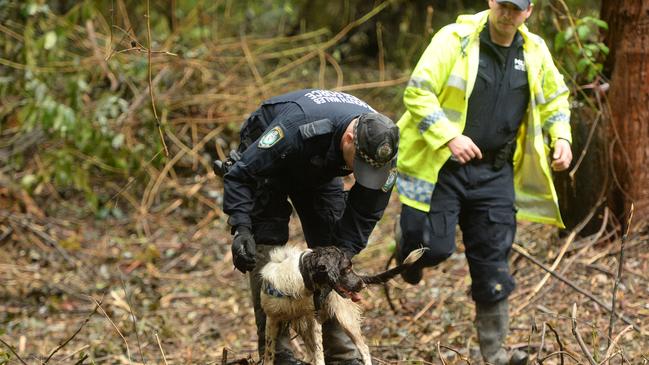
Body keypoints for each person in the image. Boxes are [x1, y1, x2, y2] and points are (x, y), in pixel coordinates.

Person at [394, 0, 572, 364]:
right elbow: (417, 91)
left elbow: (556, 99)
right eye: (503, 4)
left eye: (517, 8)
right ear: (491, 2)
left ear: (529, 11)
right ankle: (407, 244)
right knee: (436, 247)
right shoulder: (455, 39)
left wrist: (563, 138)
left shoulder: (535, 50)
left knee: (493, 264)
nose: (508, 13)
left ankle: (495, 353)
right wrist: (448, 137)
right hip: (443, 166)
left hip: (495, 172)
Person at [218, 89, 399, 365]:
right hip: (271, 163)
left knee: (331, 251)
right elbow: (241, 175)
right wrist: (242, 227)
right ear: (350, 139)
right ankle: (277, 354)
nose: (361, 172)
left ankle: (340, 353)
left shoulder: (381, 150)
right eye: (359, 164)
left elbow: (365, 212)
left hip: (319, 166)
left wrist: (344, 255)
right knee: (266, 245)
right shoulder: (297, 126)